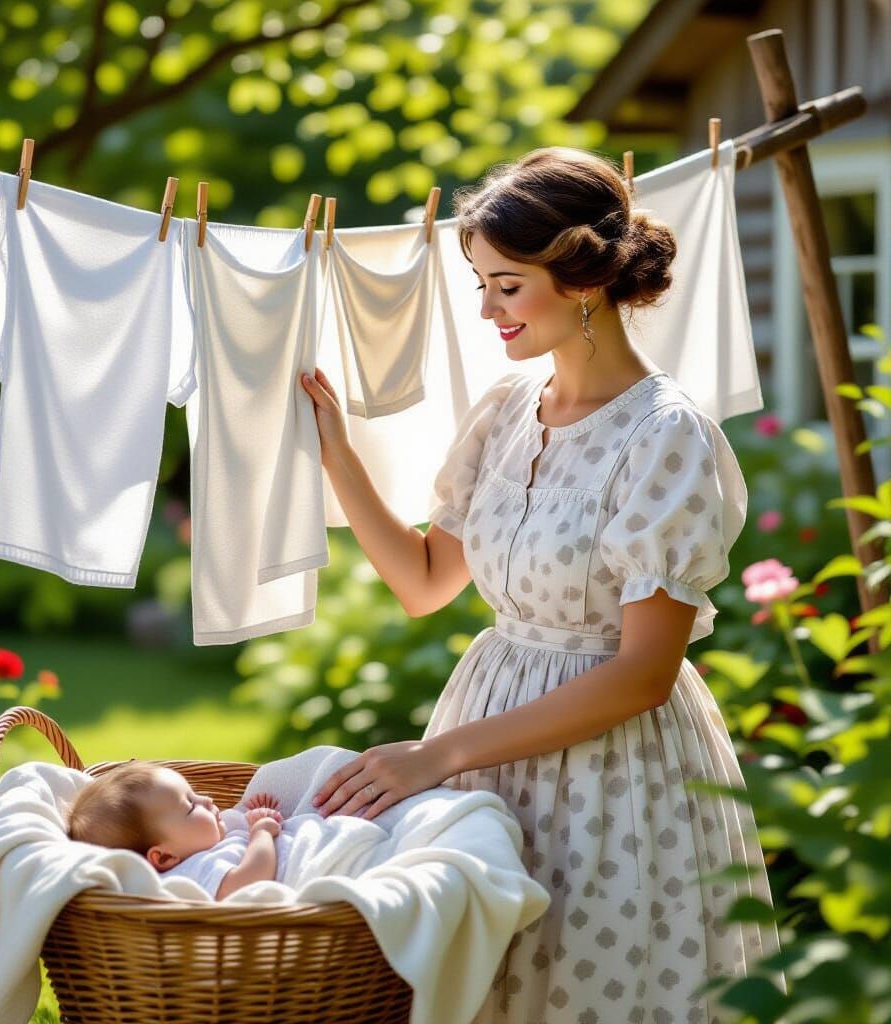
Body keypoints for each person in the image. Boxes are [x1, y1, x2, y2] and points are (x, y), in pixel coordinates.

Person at [299, 146, 784, 1022]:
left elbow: (645, 674)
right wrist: (338, 455)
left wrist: (436, 755)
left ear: (583, 280)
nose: (486, 308)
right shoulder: (505, 411)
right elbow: (424, 582)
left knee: (584, 987)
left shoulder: (666, 437)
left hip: (614, 780)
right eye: (481, 282)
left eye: (507, 286)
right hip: (481, 750)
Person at [65, 760, 288, 901]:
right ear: (164, 857)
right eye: (191, 806)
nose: (207, 799)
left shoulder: (202, 842)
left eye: (194, 793)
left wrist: (250, 813)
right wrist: (262, 833)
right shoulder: (193, 871)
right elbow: (248, 882)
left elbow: (234, 835)